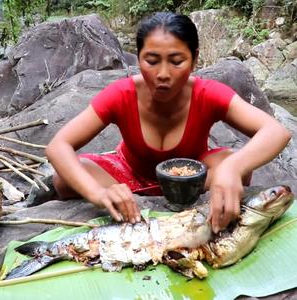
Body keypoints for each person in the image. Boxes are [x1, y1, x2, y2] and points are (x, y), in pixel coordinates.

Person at [45, 12, 291, 233]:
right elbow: (58, 146)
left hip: (192, 179)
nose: (163, 74)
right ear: (138, 58)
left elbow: (276, 132)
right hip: (128, 176)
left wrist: (232, 167)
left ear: (194, 60)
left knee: (240, 166)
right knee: (63, 180)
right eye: (151, 61)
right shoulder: (122, 94)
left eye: (176, 61)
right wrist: (98, 193)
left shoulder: (208, 94)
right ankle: (129, 201)